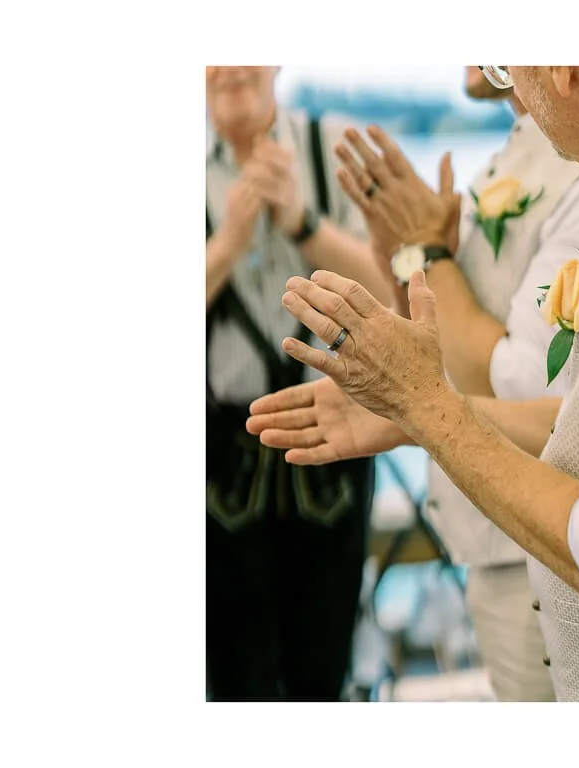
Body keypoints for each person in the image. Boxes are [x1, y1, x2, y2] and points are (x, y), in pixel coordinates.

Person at [247, 66, 579, 701]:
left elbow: (520, 378)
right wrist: (404, 261)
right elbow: (559, 401)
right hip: (501, 531)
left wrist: (427, 250)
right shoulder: (526, 163)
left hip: (546, 551)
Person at [204, 66, 396, 701]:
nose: (231, 65)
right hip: (218, 458)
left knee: (326, 659)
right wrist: (226, 243)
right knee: (232, 671)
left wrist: (302, 223)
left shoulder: (334, 147)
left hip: (333, 440)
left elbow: (394, 294)